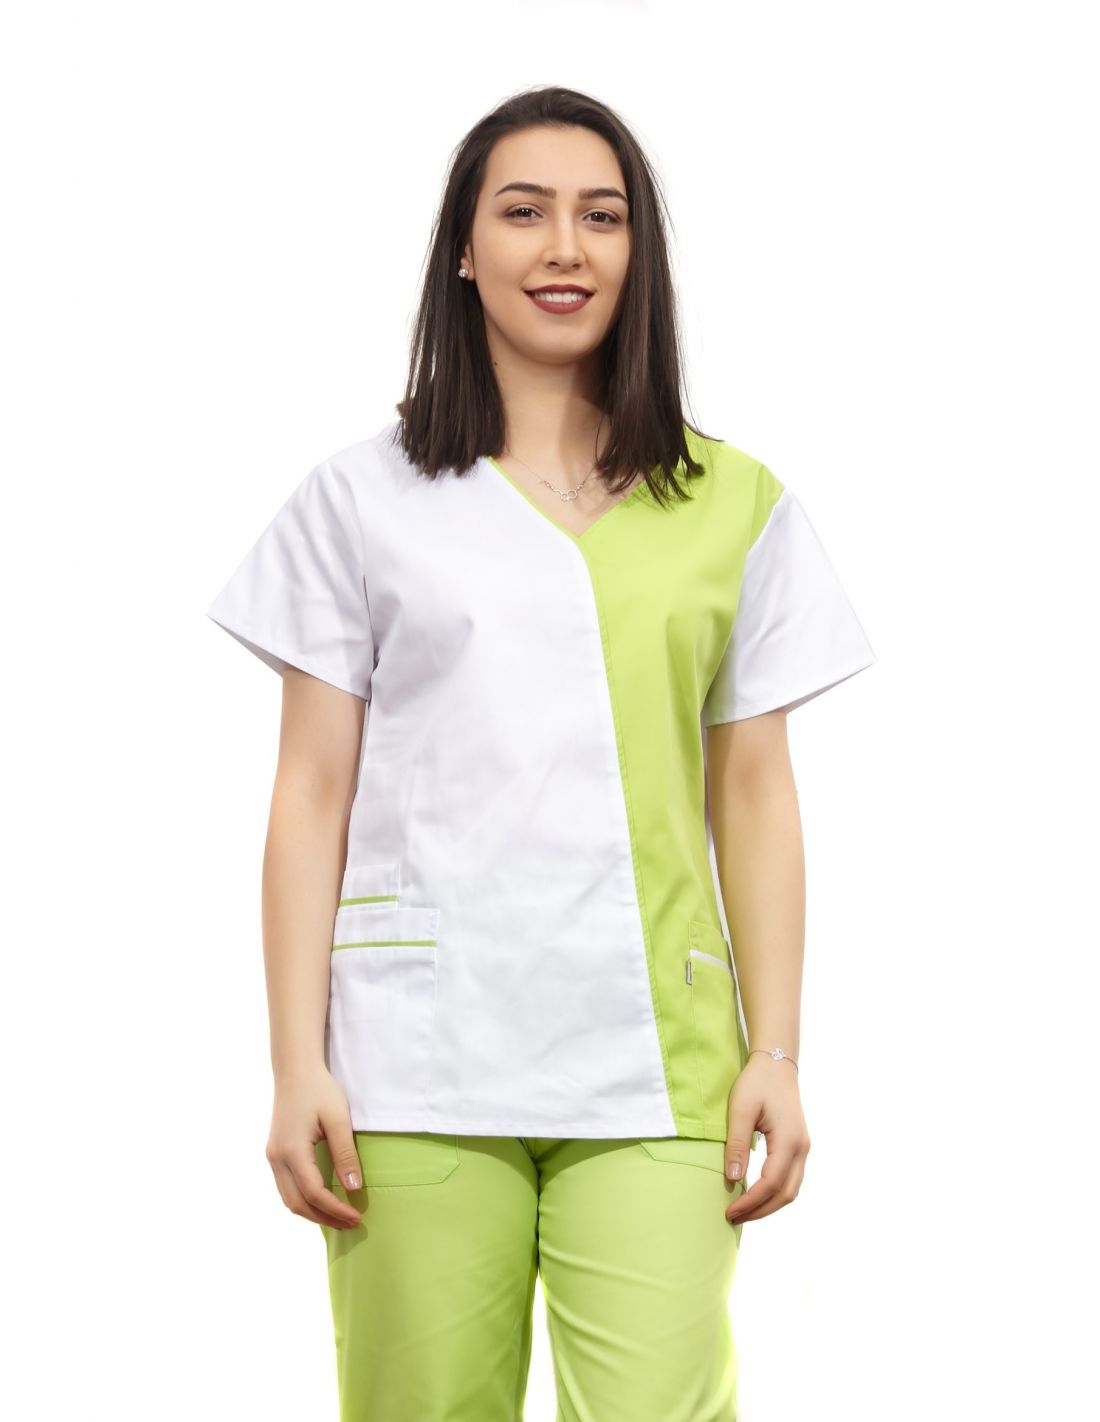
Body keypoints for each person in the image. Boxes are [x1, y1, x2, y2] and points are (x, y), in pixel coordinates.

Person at [205, 84, 876, 1422]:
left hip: (661, 1066)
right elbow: (309, 793)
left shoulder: (732, 503)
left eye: (601, 217)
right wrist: (294, 1061)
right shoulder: (363, 500)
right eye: (524, 213)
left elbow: (753, 791)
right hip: (414, 1060)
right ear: (465, 248)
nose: (565, 247)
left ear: (639, 252)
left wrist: (779, 1051)